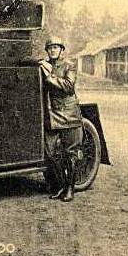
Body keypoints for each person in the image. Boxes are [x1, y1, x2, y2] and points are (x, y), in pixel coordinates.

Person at [39, 36, 84, 202]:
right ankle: (61, 186)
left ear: (61, 50)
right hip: (53, 116)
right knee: (50, 153)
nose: (53, 50)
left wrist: (50, 76)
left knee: (70, 154)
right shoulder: (45, 65)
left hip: (69, 115)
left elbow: (69, 86)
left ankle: (70, 189)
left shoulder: (69, 65)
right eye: (50, 48)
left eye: (56, 48)